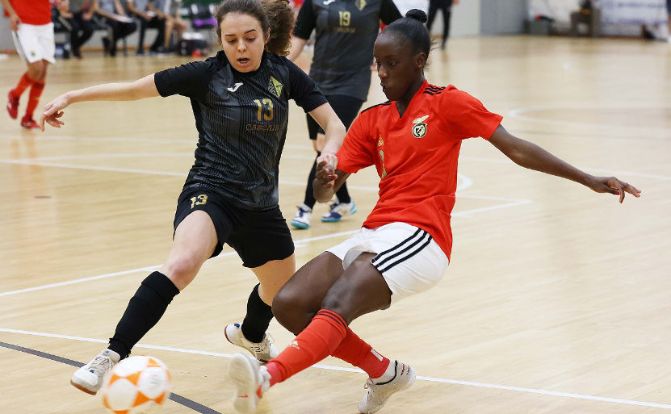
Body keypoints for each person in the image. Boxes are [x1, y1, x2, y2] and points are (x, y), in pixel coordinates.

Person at [227, 9, 642, 414]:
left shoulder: (448, 104)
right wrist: (324, 175)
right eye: (378, 64)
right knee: (290, 303)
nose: (383, 73)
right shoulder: (373, 120)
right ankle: (384, 372)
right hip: (375, 232)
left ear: (420, 62)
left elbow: (516, 148)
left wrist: (588, 178)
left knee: (337, 302)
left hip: (422, 238)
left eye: (392, 64)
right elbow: (324, 194)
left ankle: (270, 376)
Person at [40, 0, 346, 396]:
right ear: (219, 40)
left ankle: (251, 335)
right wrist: (72, 96)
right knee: (183, 263)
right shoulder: (206, 73)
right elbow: (135, 90)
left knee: (279, 294)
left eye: (250, 39)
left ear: (266, 37)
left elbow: (333, 123)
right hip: (211, 191)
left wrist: (330, 150)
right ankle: (111, 355)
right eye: (231, 39)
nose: (241, 48)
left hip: (261, 206)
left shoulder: (285, 75)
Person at [286, 0, 401, 229]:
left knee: (326, 141)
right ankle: (345, 201)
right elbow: (299, 38)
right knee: (321, 148)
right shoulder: (315, 2)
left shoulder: (377, 2)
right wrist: (276, 66)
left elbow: (401, 29)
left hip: (353, 83)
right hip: (317, 81)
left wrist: (386, 58)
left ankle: (306, 207)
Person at [3, 0, 53, 130]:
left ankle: (28, 118)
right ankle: (14, 95)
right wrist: (12, 14)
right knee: (37, 68)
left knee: (42, 73)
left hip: (46, 23)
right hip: (24, 24)